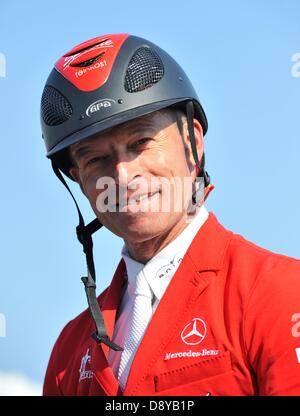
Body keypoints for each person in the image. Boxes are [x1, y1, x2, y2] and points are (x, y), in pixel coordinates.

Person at [40, 33, 300, 396]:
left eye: (140, 143)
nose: (123, 176)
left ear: (193, 142)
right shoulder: (68, 352)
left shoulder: (283, 294)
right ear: (79, 181)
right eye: (95, 159)